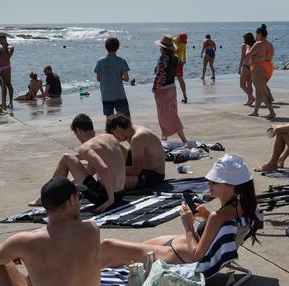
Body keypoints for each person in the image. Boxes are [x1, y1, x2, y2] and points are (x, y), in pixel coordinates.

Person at [100, 153, 262, 268]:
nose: (208, 184)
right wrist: (205, 216)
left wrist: (188, 226)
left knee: (109, 246)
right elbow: (219, 228)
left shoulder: (217, 217)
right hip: (179, 247)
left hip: (179, 257)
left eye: (214, 182)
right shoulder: (244, 206)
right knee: (121, 256)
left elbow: (196, 256)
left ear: (231, 185)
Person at [0, 177, 100, 286]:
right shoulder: (92, 229)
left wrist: (2, 250)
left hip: (27, 249)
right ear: (72, 200)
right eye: (79, 197)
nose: (80, 200)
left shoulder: (26, 241)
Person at [28, 114, 126, 212]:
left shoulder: (85, 148)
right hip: (120, 194)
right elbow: (92, 171)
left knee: (66, 157)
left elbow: (103, 168)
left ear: (78, 131)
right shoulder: (109, 137)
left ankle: (46, 197)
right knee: (72, 161)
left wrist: (110, 199)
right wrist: (72, 181)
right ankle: (49, 193)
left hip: (104, 197)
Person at [105, 114, 166, 190]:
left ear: (118, 128)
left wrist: (116, 170)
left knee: (111, 182)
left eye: (112, 133)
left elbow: (136, 171)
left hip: (154, 175)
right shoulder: (130, 131)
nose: (113, 136)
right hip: (143, 169)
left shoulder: (138, 137)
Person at [153, 34, 187, 142]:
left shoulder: (163, 58)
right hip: (172, 87)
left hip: (163, 89)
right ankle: (165, 137)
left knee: (163, 115)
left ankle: (181, 138)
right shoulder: (175, 58)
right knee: (172, 113)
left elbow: (159, 73)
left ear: (162, 48)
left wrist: (154, 87)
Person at [95, 37, 131, 117]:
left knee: (109, 120)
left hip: (106, 96)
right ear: (118, 47)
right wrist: (119, 77)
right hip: (119, 95)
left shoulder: (100, 61)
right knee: (125, 118)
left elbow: (98, 79)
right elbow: (126, 78)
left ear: (106, 47)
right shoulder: (121, 61)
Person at [245, 24, 275, 118]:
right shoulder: (270, 45)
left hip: (258, 69)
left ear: (259, 34)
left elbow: (248, 55)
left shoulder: (258, 43)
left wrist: (247, 48)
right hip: (268, 68)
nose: (255, 36)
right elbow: (268, 58)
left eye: (256, 34)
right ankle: (255, 112)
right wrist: (260, 58)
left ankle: (272, 112)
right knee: (258, 92)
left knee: (262, 92)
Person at [0, 35, 15, 109]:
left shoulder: (10, 47)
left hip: (6, 69)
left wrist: (5, 45)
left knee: (8, 84)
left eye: (2, 40)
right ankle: (4, 102)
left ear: (5, 40)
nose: (1, 42)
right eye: (0, 41)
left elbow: (8, 56)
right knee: (2, 87)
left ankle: (10, 102)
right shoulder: (0, 48)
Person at [239, 32, 256, 106]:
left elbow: (242, 57)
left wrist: (239, 67)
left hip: (245, 66)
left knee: (242, 84)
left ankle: (251, 97)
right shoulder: (254, 45)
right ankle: (249, 100)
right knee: (249, 84)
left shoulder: (244, 46)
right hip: (252, 66)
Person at [173, 33, 189, 103]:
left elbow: (184, 51)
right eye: (182, 40)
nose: (183, 42)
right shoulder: (173, 40)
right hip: (172, 62)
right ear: (178, 38)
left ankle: (185, 96)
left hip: (179, 63)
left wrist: (184, 59)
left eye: (184, 41)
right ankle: (171, 97)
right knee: (170, 79)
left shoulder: (184, 43)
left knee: (180, 79)